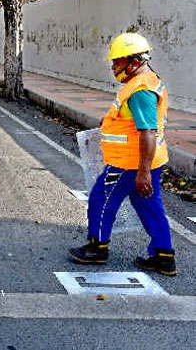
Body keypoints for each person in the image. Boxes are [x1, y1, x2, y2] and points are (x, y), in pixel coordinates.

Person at [69, 33, 176, 276]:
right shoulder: (147, 80)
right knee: (149, 205)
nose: (113, 67)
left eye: (117, 62)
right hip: (147, 160)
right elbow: (132, 122)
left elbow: (147, 131)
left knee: (101, 199)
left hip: (129, 164)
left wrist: (143, 172)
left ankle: (98, 248)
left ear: (134, 61)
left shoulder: (140, 91)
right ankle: (163, 256)